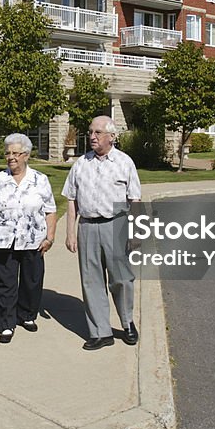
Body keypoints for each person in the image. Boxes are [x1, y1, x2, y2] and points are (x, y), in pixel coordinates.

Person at [62, 116, 142, 351]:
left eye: (97, 132)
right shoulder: (81, 164)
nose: (92, 136)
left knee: (122, 280)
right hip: (87, 226)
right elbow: (71, 199)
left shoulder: (125, 162)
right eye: (90, 132)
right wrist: (70, 233)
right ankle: (100, 332)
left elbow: (134, 199)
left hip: (116, 225)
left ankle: (127, 323)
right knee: (91, 280)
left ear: (111, 137)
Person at [0, 133, 58, 344]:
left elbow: (50, 210)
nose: (11, 157)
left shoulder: (40, 180)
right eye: (7, 153)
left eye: (16, 153)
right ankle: (7, 324)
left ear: (26, 155)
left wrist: (50, 237)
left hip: (33, 240)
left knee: (32, 281)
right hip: (3, 240)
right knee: (6, 283)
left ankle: (26, 315)